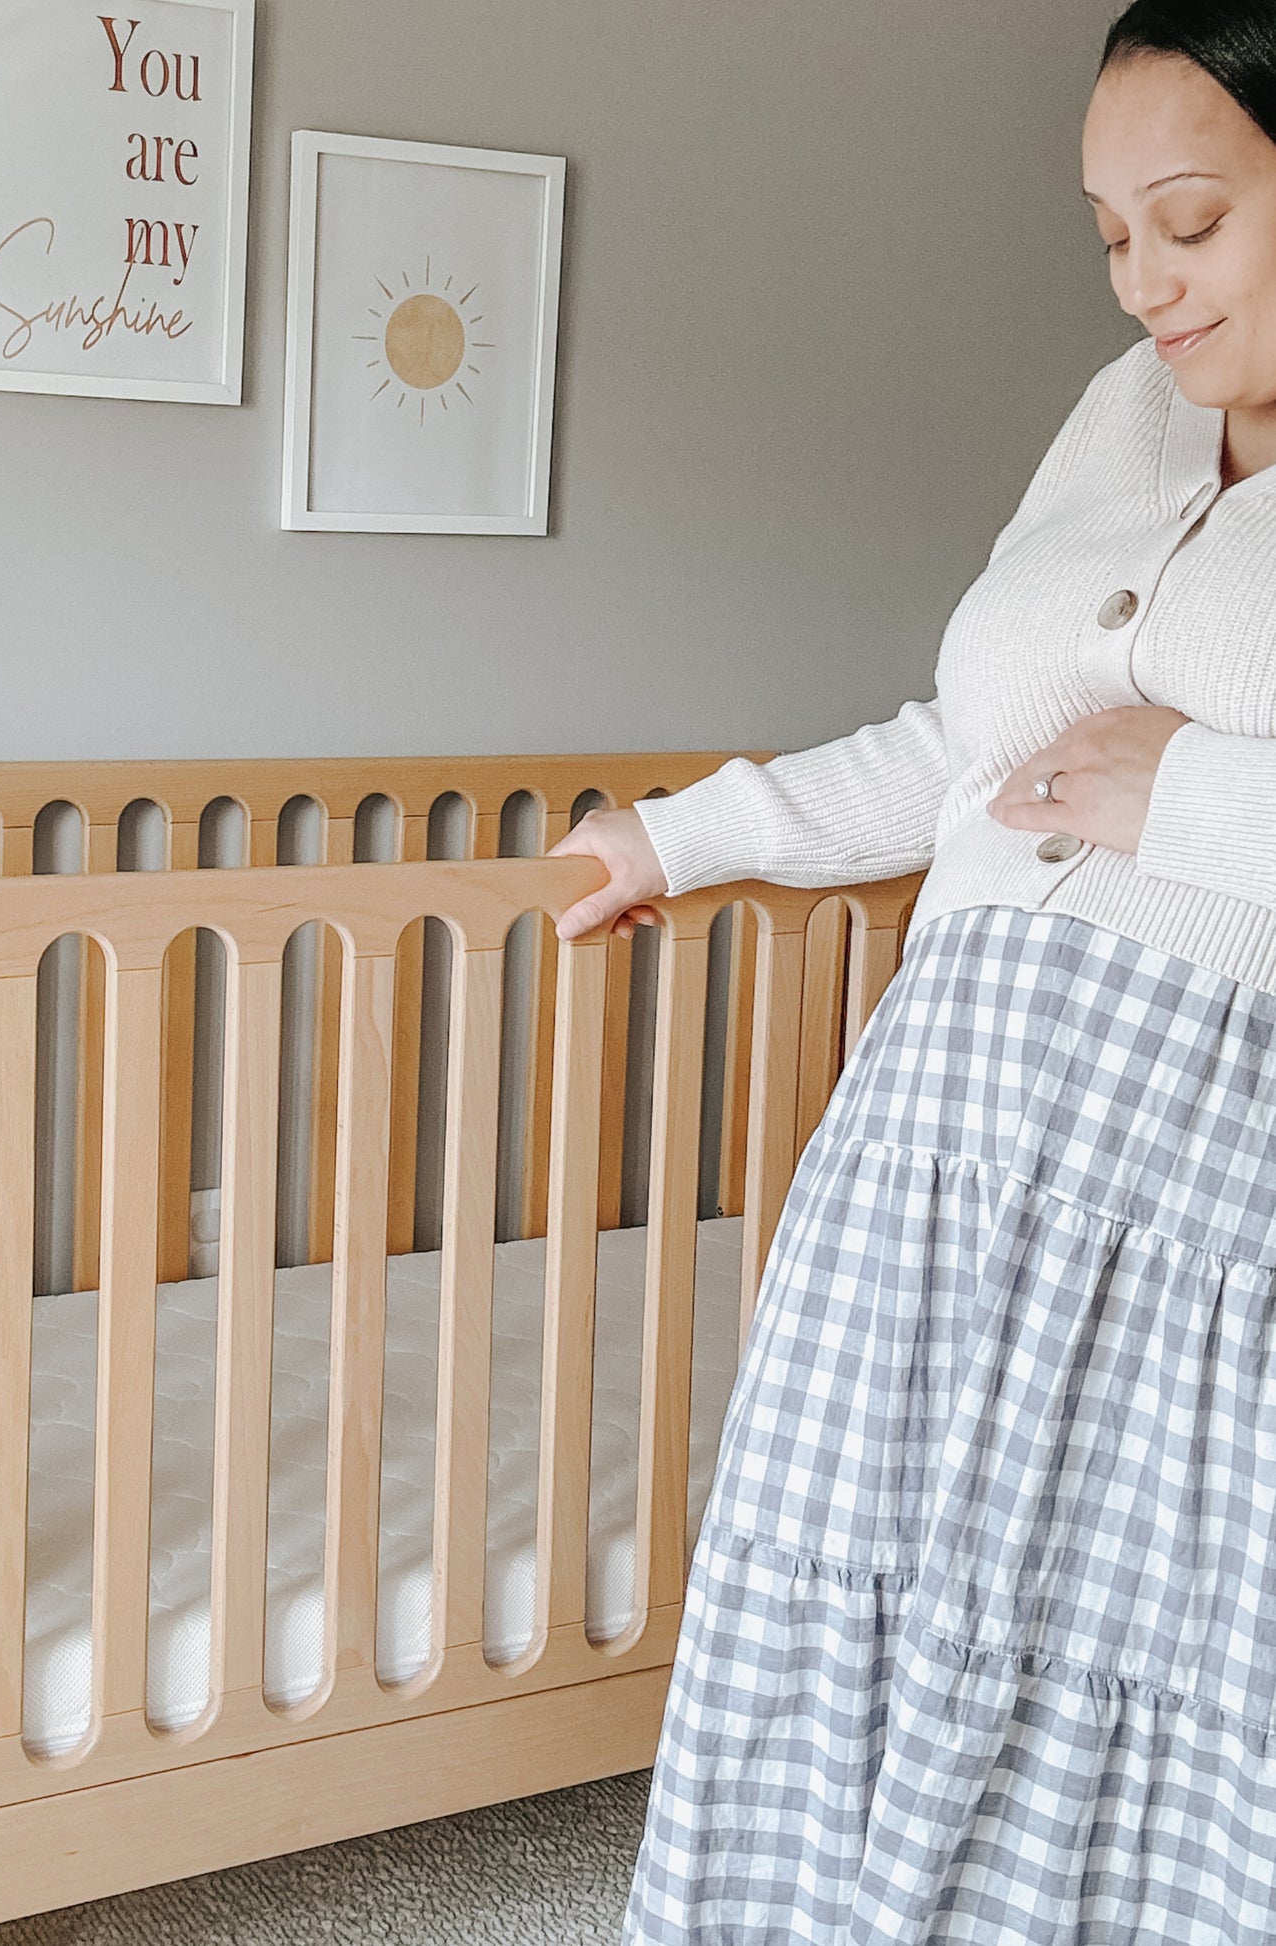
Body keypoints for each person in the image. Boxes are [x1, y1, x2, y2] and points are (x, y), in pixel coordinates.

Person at [553, 5, 1276, 1939]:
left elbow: (1152, 783)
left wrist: (1195, 799)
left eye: (1188, 223)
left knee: (1114, 1649)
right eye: (1108, 236)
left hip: (1188, 1184)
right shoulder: (1122, 415)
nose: (1140, 285)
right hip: (930, 1137)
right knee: (836, 1582)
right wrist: (686, 834)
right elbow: (969, 741)